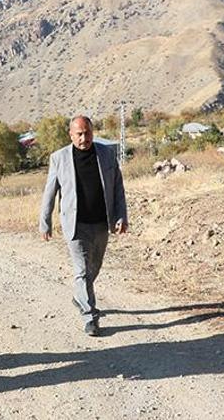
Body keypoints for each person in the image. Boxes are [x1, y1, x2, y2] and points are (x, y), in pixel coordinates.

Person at [39, 115, 128, 336]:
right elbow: (50, 192)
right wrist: (45, 222)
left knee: (93, 268)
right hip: (75, 225)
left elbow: (118, 187)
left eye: (87, 133)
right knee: (81, 271)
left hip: (100, 223)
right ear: (71, 135)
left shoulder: (106, 154)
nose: (84, 138)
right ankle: (90, 317)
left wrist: (122, 216)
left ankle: (80, 296)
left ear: (92, 133)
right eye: (79, 134)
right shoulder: (59, 158)